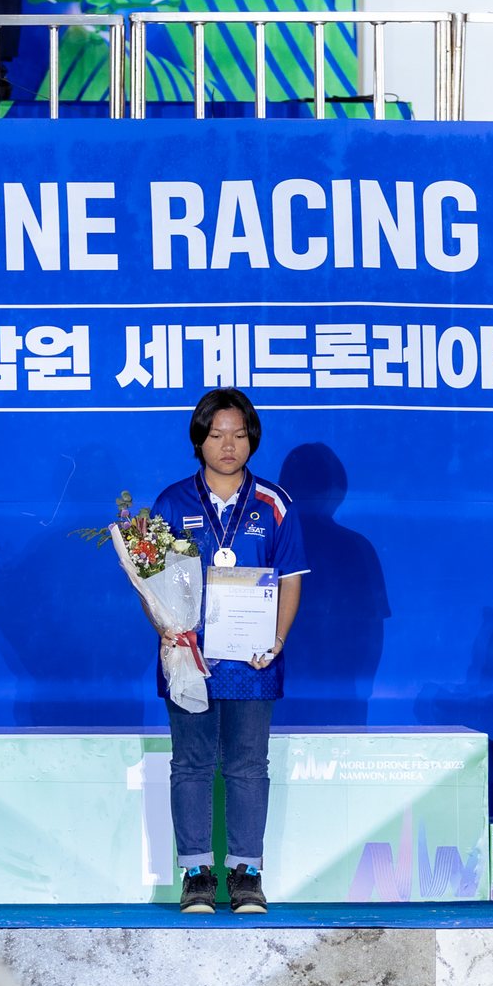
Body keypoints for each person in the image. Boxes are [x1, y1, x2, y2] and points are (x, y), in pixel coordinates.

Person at [148, 389, 307, 915]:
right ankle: (196, 874)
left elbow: (290, 580)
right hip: (189, 659)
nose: (228, 445)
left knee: (248, 766)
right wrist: (166, 630)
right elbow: (151, 584)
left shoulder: (275, 503)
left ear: (252, 440)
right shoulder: (172, 503)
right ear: (199, 440)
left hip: (253, 662)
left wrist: (277, 641)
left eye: (238, 435)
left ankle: (246, 874)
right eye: (216, 435)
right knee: (191, 764)